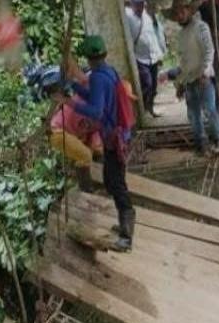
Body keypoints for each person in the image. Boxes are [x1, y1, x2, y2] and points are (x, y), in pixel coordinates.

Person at [66, 35, 136, 251]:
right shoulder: (108, 71)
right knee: (111, 180)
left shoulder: (97, 77)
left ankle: (127, 235)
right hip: (119, 134)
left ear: (88, 58)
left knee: (116, 183)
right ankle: (124, 222)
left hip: (114, 138)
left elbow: (96, 111)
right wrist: (73, 86)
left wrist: (69, 103)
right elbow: (95, 96)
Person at [24, 64, 102, 191]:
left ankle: (96, 181)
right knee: (86, 156)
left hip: (72, 131)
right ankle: (87, 190)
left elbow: (96, 133)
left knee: (96, 150)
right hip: (58, 131)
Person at [163, 0, 219, 155]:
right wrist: (180, 83)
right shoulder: (181, 34)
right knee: (193, 114)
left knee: (210, 110)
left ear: (190, 10)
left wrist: (206, 71)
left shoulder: (201, 27)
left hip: (203, 78)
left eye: (182, 11)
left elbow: (209, 51)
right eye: (177, 13)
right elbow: (184, 63)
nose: (179, 15)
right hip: (189, 81)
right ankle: (201, 142)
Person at [125, 0, 165, 116]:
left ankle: (150, 107)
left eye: (141, 4)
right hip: (140, 58)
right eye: (137, 4)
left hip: (153, 57)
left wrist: (159, 54)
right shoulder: (128, 16)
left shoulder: (147, 17)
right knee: (147, 83)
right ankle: (141, 109)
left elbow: (153, 37)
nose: (140, 6)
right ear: (132, 4)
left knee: (154, 86)